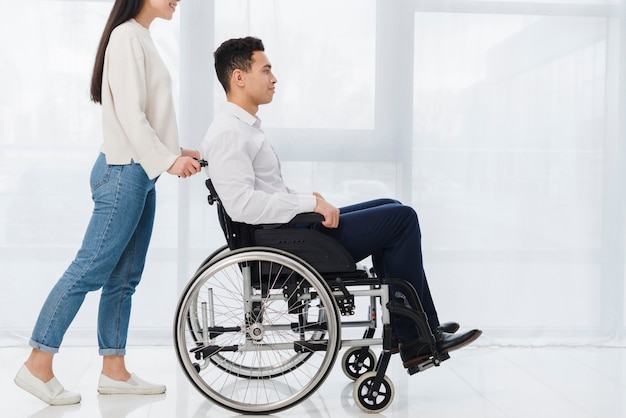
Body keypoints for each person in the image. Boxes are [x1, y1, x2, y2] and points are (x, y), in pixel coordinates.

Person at [203, 37, 483, 369]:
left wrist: (307, 200)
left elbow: (263, 192)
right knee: (401, 219)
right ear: (239, 77)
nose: (274, 78)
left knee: (389, 205)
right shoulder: (229, 133)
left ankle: (423, 326)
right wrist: (306, 203)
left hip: (287, 231)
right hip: (286, 243)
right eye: (266, 70)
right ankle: (418, 339)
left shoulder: (241, 130)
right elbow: (242, 206)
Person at [14, 0, 201, 406]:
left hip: (140, 172)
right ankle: (37, 361)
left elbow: (145, 118)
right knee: (90, 269)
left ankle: (114, 370)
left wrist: (176, 150)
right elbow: (131, 118)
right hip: (123, 173)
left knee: (124, 277)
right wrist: (169, 160)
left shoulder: (141, 38)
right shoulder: (125, 37)